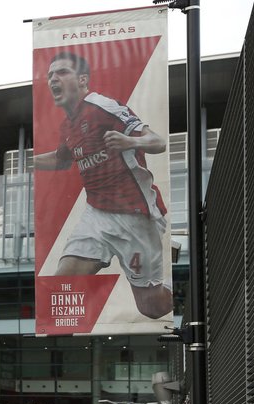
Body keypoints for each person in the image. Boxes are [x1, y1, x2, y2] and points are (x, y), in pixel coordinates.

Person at [34, 51, 171, 319]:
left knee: (151, 308)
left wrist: (132, 141)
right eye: (49, 74)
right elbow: (62, 160)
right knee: (63, 286)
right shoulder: (67, 126)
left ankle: (171, 286)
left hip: (135, 215)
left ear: (83, 79)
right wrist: (28, 161)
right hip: (96, 213)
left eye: (61, 72)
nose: (53, 79)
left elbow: (158, 142)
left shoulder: (102, 106)